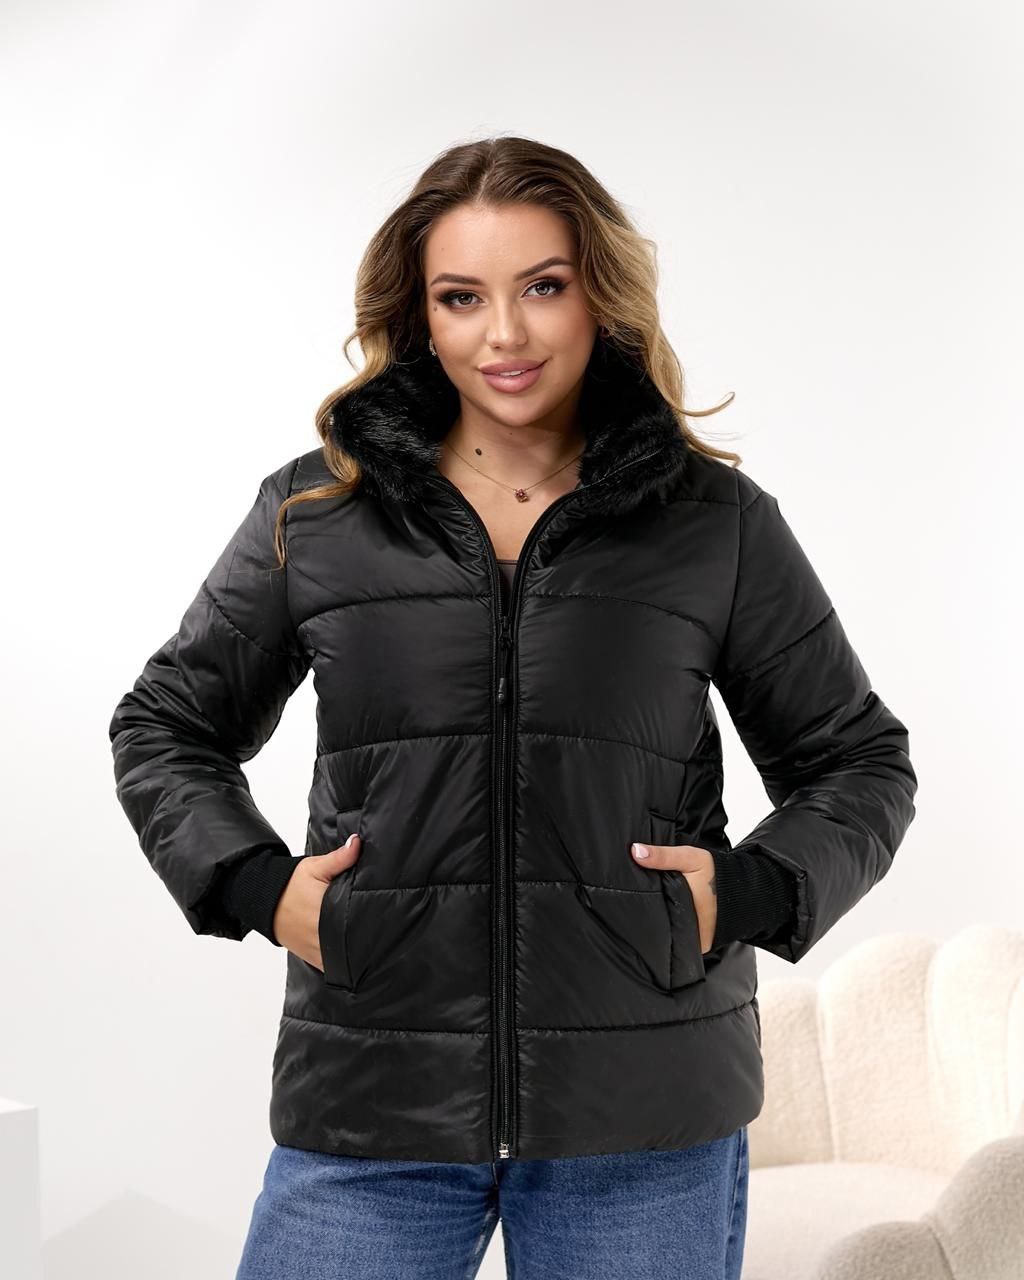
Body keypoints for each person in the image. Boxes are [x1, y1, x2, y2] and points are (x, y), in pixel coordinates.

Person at [108, 135, 918, 1280]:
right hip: (375, 1092)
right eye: (461, 296)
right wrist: (254, 883)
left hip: (642, 1111)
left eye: (542, 286)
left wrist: (747, 891)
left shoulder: (712, 522)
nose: (504, 334)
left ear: (599, 295)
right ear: (418, 313)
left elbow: (858, 759)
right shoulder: (317, 512)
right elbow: (165, 724)